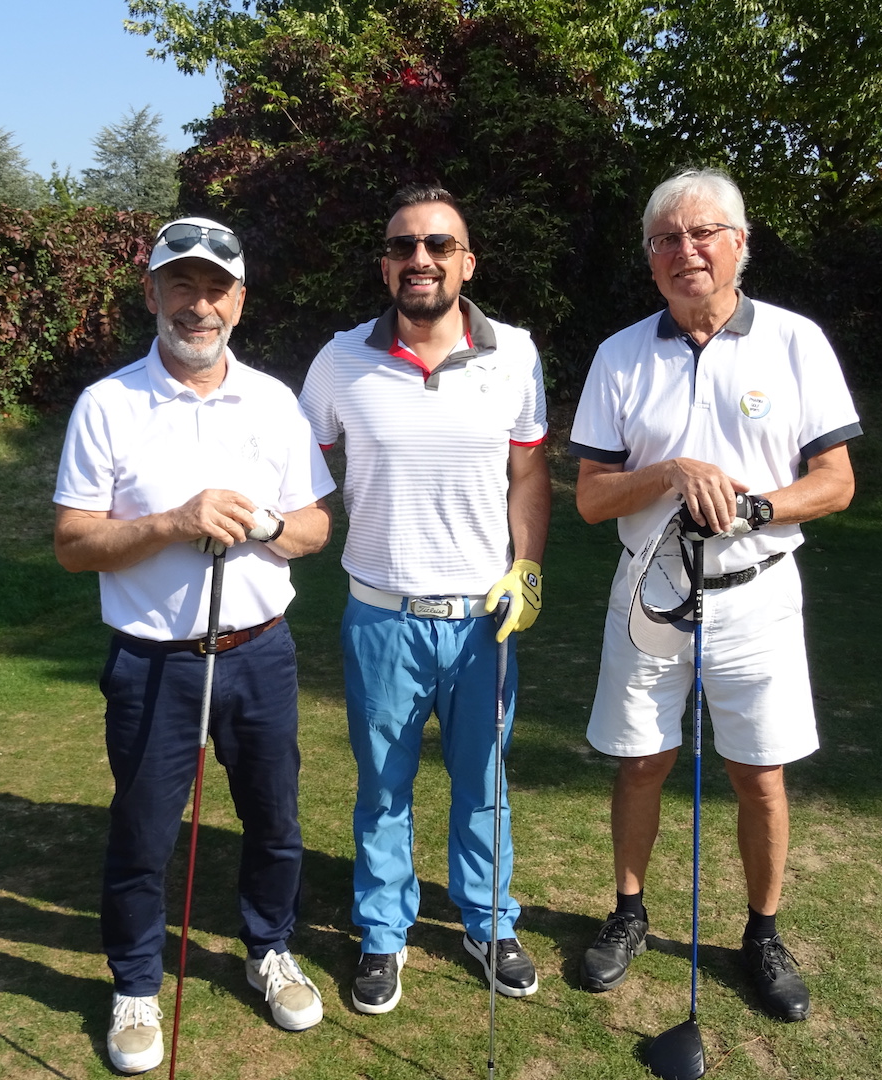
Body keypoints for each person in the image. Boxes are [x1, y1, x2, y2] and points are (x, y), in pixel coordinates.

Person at [568, 168, 860, 1022]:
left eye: (704, 234)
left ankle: (762, 934)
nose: (686, 251)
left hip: (757, 590)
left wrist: (755, 505)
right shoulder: (620, 354)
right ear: (650, 258)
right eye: (667, 239)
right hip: (649, 589)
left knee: (758, 773)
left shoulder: (797, 341)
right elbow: (590, 498)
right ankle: (627, 914)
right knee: (641, 762)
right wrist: (670, 473)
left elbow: (836, 481)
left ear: (740, 243)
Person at [53, 217, 336, 1074]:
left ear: (240, 302)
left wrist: (271, 524)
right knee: (143, 833)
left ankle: (267, 949)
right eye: (181, 285)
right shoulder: (108, 404)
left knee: (276, 822)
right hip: (154, 661)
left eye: (216, 288)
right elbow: (73, 543)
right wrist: (175, 523)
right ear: (152, 295)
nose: (199, 303)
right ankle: (137, 986)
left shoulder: (276, 401)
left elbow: (317, 526)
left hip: (259, 650)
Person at [298, 184, 552, 1015]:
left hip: (485, 618)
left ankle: (487, 920)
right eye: (404, 245)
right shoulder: (339, 360)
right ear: (385, 263)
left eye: (439, 245)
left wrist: (530, 567)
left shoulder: (514, 352)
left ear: (466, 262)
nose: (421, 259)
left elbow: (528, 471)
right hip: (380, 615)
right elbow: (298, 466)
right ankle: (382, 932)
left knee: (483, 781)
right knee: (382, 787)